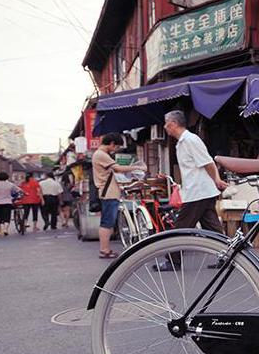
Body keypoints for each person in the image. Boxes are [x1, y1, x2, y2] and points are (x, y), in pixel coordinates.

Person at [155, 110, 228, 271]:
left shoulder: (190, 140)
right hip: (201, 191)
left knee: (181, 227)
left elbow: (208, 163)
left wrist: (216, 180)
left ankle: (173, 261)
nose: (166, 128)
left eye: (167, 125)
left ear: (173, 124)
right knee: (213, 227)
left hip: (198, 192)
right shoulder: (183, 141)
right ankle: (228, 256)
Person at [92, 132, 146, 259]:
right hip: (109, 193)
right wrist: (136, 167)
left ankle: (105, 249)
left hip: (109, 192)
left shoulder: (100, 154)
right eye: (116, 147)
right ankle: (104, 250)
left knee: (108, 222)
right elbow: (118, 168)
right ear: (111, 144)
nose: (116, 150)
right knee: (107, 222)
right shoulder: (101, 155)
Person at [0, 172, 22, 236]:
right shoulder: (10, 184)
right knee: (7, 216)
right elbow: (19, 190)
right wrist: (25, 193)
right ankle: (5, 229)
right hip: (7, 202)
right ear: (7, 177)